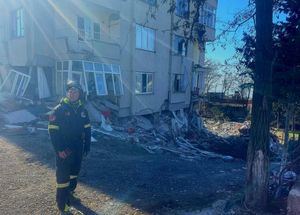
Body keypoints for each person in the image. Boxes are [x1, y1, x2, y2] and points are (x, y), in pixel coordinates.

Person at [48, 80, 91, 214]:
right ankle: (62, 204)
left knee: (74, 172)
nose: (72, 94)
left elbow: (87, 129)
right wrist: (59, 150)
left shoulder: (82, 110)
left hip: (78, 146)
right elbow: (53, 131)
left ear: (80, 94)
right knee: (63, 175)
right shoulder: (59, 110)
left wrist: (87, 145)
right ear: (67, 93)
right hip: (64, 148)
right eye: (70, 91)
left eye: (75, 91)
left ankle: (70, 193)